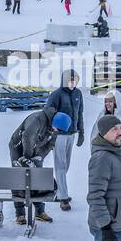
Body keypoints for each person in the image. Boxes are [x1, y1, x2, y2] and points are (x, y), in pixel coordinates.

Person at [8, 106, 68, 225]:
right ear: (55, 122)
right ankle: (20, 214)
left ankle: (40, 212)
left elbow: (49, 145)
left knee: (38, 177)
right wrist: (27, 157)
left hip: (34, 149)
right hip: (18, 147)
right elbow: (27, 136)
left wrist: (39, 157)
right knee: (18, 177)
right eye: (57, 129)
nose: (57, 131)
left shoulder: (55, 128)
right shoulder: (37, 119)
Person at [45, 69, 84, 211]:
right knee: (60, 166)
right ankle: (63, 198)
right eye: (70, 80)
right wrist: (52, 128)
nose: (73, 83)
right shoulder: (56, 94)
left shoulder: (78, 94)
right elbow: (48, 111)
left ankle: (58, 190)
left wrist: (81, 131)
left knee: (65, 165)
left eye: (75, 81)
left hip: (72, 134)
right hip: (59, 135)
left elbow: (80, 113)